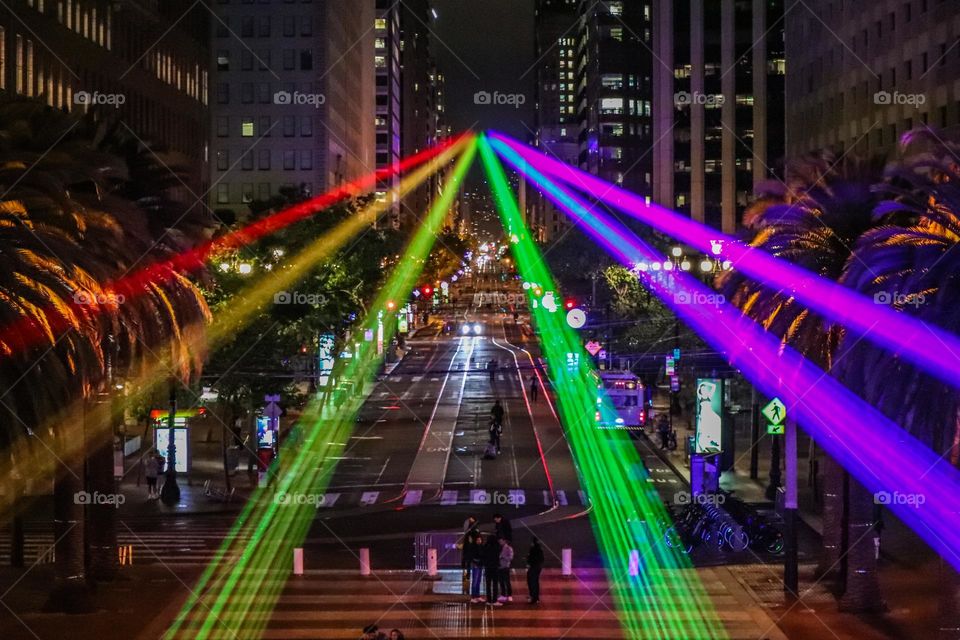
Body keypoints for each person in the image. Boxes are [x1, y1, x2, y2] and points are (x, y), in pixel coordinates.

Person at [482, 534, 501, 605]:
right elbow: (499, 550)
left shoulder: (486, 546)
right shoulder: (497, 547)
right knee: (495, 584)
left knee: (488, 584)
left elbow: (483, 555)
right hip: (495, 567)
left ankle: (489, 600)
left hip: (487, 568)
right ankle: (495, 600)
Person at [467, 531, 485, 603]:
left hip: (480, 565)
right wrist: (475, 562)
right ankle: (473, 596)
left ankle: (477, 596)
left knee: (478, 581)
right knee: (475, 581)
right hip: (476, 565)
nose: (479, 541)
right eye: (478, 540)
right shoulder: (473, 547)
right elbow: (471, 557)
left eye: (480, 540)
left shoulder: (481, 547)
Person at [526, 537, 544, 604]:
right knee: (536, 582)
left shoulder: (533, 549)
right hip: (538, 567)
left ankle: (533, 598)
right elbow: (542, 559)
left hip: (533, 567)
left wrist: (529, 563)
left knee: (531, 582)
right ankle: (536, 597)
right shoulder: (540, 549)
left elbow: (530, 558)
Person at [497, 536, 514, 603]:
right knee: (501, 581)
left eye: (501, 541)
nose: (500, 542)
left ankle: (509, 595)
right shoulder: (498, 548)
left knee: (507, 581)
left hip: (505, 567)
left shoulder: (509, 548)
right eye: (499, 541)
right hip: (499, 567)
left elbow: (510, 558)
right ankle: (503, 595)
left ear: (504, 541)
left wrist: (503, 556)